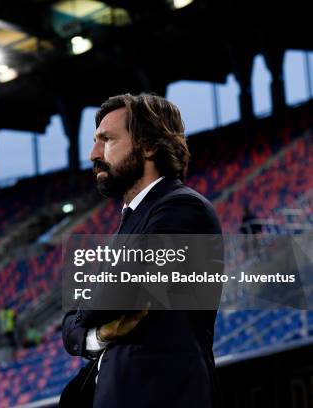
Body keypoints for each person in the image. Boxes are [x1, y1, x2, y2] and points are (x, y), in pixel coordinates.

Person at [60, 93, 223, 408]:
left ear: (149, 146)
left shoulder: (182, 208)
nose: (94, 153)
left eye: (107, 140)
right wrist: (98, 335)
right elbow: (74, 322)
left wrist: (88, 309)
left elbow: (111, 294)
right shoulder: (133, 221)